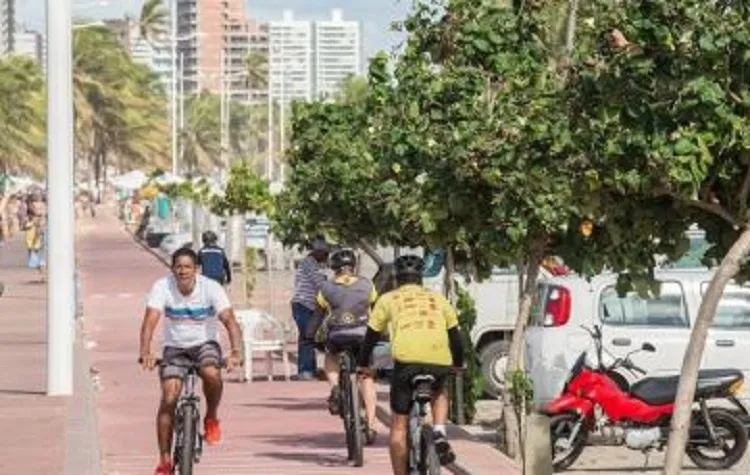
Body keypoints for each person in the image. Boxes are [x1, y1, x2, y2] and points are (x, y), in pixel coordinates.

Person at [139, 247, 244, 475]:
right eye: (178, 267)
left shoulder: (211, 288)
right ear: (172, 269)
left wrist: (236, 351)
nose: (183, 271)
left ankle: (211, 417)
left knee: (211, 373)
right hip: (174, 348)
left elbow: (229, 320)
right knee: (168, 398)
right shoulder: (162, 287)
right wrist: (145, 351)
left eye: (188, 267)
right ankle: (165, 459)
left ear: (197, 269)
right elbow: (150, 321)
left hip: (205, 344)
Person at [358, 255, 464, 474]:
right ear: (421, 279)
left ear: (397, 279)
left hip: (406, 364)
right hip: (438, 360)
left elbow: (370, 337)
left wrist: (362, 365)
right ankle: (439, 431)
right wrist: (458, 364)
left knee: (398, 425)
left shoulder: (388, 299)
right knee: (440, 389)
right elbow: (456, 338)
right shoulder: (439, 299)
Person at [313, 248, 380, 441]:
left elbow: (317, 316)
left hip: (338, 335)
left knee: (331, 358)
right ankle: (371, 421)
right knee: (366, 377)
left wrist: (309, 338)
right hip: (362, 336)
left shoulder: (326, 288)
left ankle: (335, 387)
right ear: (354, 266)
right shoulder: (368, 285)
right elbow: (375, 311)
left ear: (333, 268)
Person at [291, 236, 329, 380]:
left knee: (310, 337)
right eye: (325, 254)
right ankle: (306, 371)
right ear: (318, 252)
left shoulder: (313, 264)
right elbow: (320, 284)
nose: (326, 257)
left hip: (309, 305)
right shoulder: (310, 263)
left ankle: (310, 369)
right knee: (307, 337)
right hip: (304, 305)